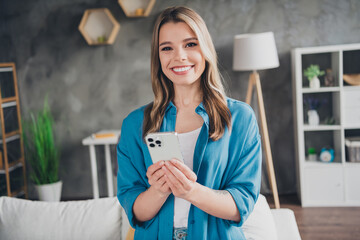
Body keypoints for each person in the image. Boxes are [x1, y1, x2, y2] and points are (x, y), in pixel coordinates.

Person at [117, 6, 262, 240]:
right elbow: (135, 212)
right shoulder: (135, 125)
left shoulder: (240, 118)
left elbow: (241, 205)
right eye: (167, 48)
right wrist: (158, 190)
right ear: (158, 57)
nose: (179, 56)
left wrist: (191, 191)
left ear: (205, 49)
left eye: (190, 44)